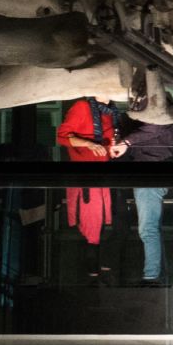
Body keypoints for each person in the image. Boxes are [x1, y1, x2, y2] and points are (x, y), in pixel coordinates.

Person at [55, 94, 125, 273]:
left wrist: (113, 149)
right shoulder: (82, 107)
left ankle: (98, 266)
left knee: (105, 219)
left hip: (103, 173)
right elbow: (62, 137)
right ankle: (90, 270)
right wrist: (88, 144)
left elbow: (109, 140)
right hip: (86, 174)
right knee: (91, 221)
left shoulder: (112, 111)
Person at [120, 104, 173, 286]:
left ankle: (151, 277)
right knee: (151, 229)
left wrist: (126, 142)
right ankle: (156, 275)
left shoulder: (161, 121)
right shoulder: (159, 123)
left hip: (150, 177)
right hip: (150, 176)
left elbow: (153, 128)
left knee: (148, 229)